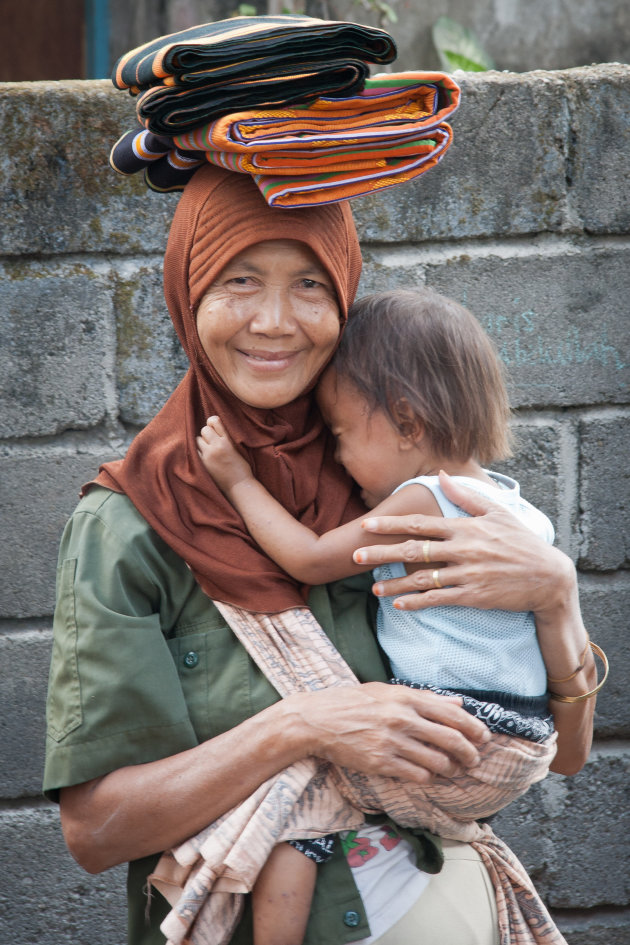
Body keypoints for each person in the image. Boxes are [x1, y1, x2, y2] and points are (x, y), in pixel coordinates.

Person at [43, 165, 598, 945]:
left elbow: (561, 755)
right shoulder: (132, 526)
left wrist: (558, 598)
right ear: (185, 290)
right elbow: (96, 831)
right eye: (239, 279)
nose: (275, 320)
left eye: (309, 283)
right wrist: (300, 725)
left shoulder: (400, 486)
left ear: (343, 296)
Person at [195, 286, 560, 943]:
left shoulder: (422, 499)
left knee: (292, 798)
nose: (334, 457)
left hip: (461, 734)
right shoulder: (519, 511)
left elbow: (308, 559)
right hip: (521, 736)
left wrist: (237, 479)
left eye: (338, 434)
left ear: (408, 423)